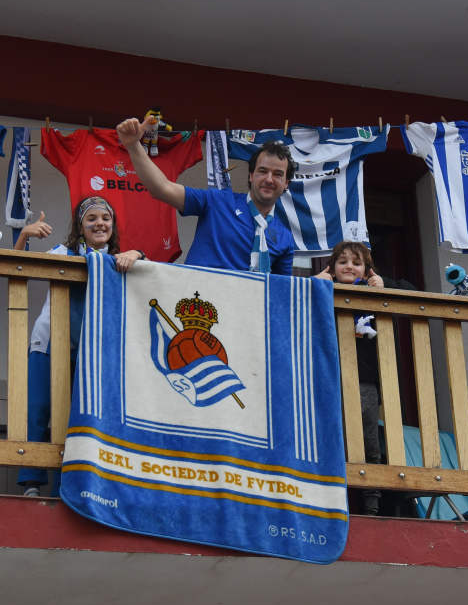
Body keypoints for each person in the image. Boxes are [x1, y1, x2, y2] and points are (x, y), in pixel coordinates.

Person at [15, 196, 144, 496]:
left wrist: (138, 253)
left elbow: (150, 275)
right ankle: (31, 482)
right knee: (38, 410)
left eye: (106, 218)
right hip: (48, 343)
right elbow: (17, 268)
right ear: (80, 226)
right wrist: (23, 235)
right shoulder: (62, 252)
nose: (100, 223)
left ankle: (67, 486)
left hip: (91, 352)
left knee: (76, 416)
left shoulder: (121, 260)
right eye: (92, 218)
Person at [115, 115, 297, 273]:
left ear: (286, 183)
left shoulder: (284, 238)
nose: (269, 179)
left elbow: (283, 291)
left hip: (246, 311)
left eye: (278, 174)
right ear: (251, 175)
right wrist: (133, 146)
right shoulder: (218, 201)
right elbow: (161, 188)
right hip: (199, 308)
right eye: (262, 171)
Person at [317, 241, 386, 515]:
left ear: (366, 272)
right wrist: (315, 283)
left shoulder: (373, 298)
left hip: (364, 381)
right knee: (328, 437)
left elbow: (412, 292)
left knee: (368, 439)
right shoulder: (322, 291)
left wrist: (381, 286)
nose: (349, 266)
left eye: (356, 263)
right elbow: (289, 297)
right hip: (326, 379)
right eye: (343, 261)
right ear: (332, 269)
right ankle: (327, 500)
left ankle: (372, 502)